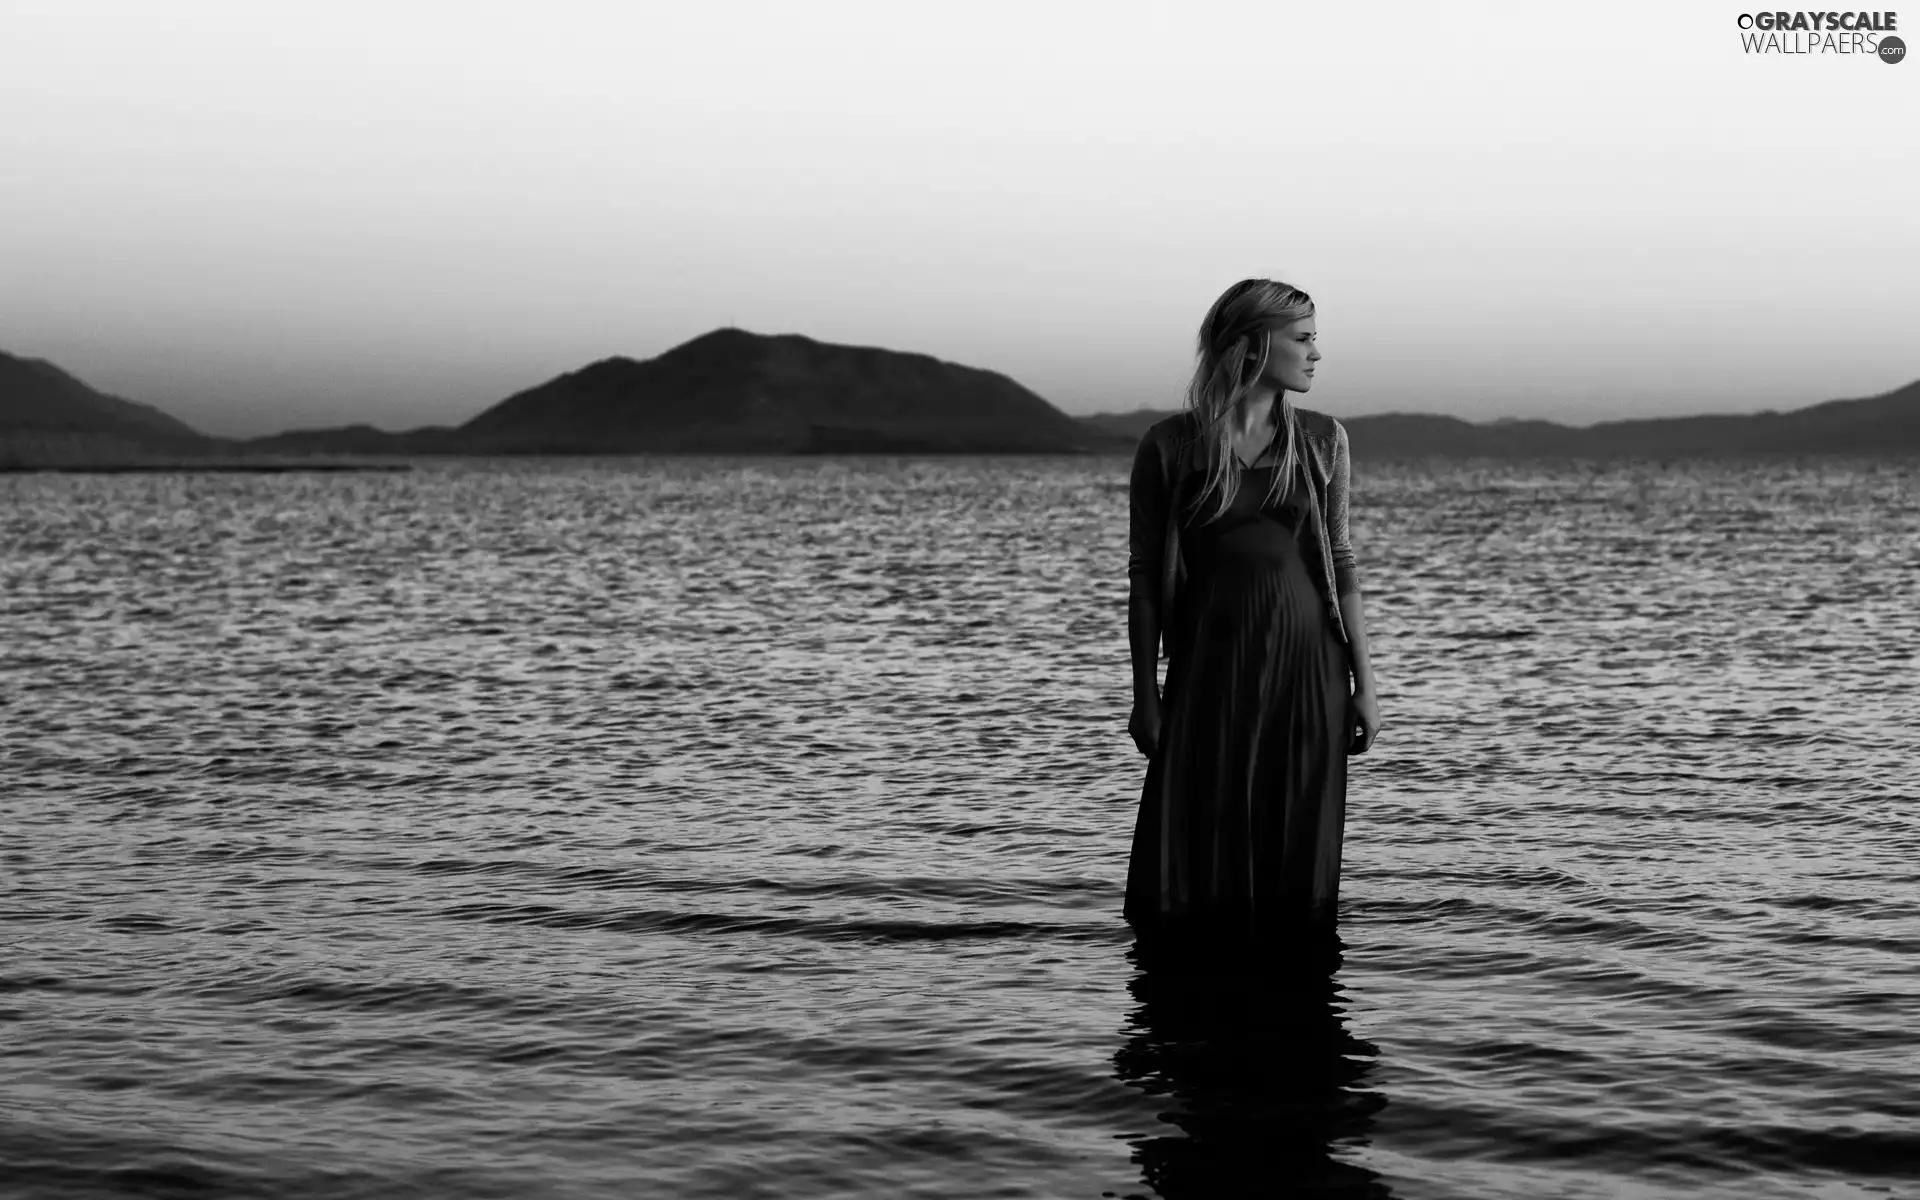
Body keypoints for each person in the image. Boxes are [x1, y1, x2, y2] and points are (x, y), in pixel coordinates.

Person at [1123, 278, 1382, 952]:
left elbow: (1342, 563)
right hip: (1210, 668)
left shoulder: (1324, 441)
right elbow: (1146, 577)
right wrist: (1143, 696)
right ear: (1252, 344)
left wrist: (1365, 685)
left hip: (1308, 671)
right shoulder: (1171, 446)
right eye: (1302, 339)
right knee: (1194, 834)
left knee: (1291, 840)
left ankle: (1291, 997)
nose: (1316, 354)